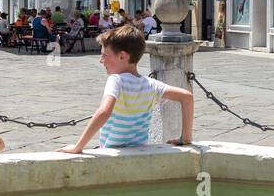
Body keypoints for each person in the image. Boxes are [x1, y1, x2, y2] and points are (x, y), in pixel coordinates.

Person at [59, 25, 195, 153]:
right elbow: (186, 96)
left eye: (104, 55)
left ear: (122, 56)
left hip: (112, 153)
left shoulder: (116, 80)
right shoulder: (151, 84)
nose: (101, 60)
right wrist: (186, 137)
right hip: (140, 153)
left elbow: (104, 112)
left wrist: (78, 146)